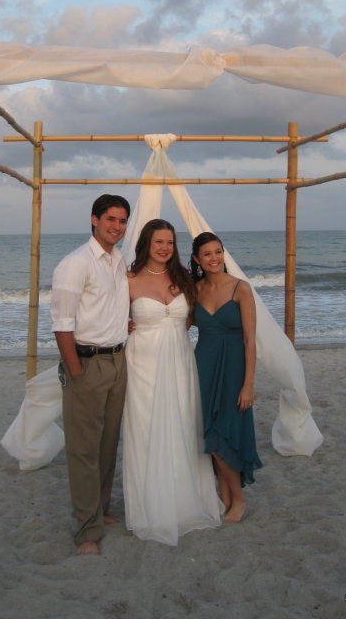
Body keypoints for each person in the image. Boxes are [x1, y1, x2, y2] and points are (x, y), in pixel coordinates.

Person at [123, 219, 222, 545]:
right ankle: (151, 506)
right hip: (142, 366)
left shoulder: (183, 278)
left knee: (182, 426)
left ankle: (185, 501)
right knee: (147, 429)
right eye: (158, 242)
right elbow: (109, 317)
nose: (164, 248)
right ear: (146, 244)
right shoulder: (128, 279)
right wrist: (122, 325)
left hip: (180, 363)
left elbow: (200, 316)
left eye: (169, 242)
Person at [51, 194, 131, 556]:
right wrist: (77, 371)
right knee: (84, 450)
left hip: (118, 360)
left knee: (107, 443)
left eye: (122, 220)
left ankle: (99, 510)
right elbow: (62, 325)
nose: (117, 226)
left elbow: (110, 310)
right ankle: (86, 531)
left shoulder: (117, 261)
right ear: (94, 220)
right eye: (111, 219)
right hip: (87, 363)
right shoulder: (75, 263)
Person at [190, 231, 262, 523]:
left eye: (218, 252)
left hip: (233, 371)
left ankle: (239, 499)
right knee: (210, 432)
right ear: (197, 259)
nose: (214, 258)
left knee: (225, 433)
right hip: (203, 367)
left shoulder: (240, 288)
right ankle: (225, 493)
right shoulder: (193, 290)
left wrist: (248, 385)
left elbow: (250, 340)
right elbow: (174, 323)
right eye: (207, 254)